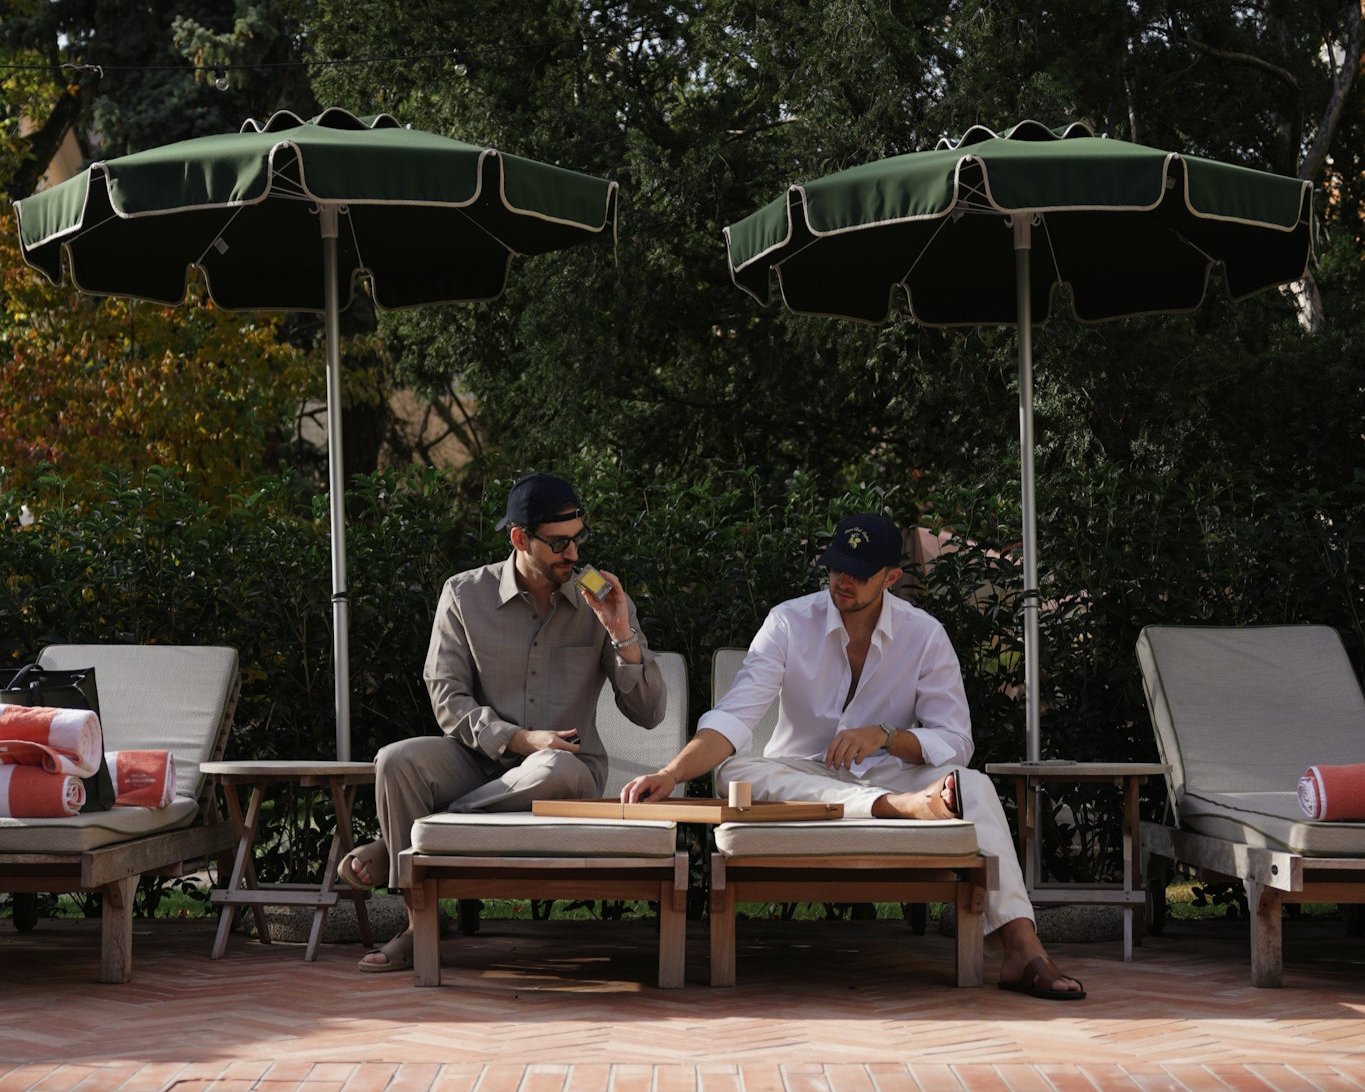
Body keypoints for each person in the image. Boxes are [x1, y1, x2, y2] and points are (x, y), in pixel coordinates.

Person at [620, 512, 1085, 1000]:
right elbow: (734, 718)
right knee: (735, 771)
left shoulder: (924, 635)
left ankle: (1023, 949)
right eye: (837, 566)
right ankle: (893, 808)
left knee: (974, 785)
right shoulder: (788, 622)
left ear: (891, 577)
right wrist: (670, 773)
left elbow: (955, 741)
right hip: (805, 779)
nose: (843, 580)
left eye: (859, 573)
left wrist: (886, 736)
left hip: (893, 774)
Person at [340, 472, 667, 972]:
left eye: (578, 538)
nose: (574, 554)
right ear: (519, 539)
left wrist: (621, 634)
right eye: (558, 543)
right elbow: (447, 696)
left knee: (551, 764)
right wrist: (518, 738)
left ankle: (404, 841)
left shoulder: (600, 602)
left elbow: (649, 712)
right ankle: (419, 923)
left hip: (568, 770)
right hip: (480, 760)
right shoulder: (464, 595)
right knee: (396, 760)